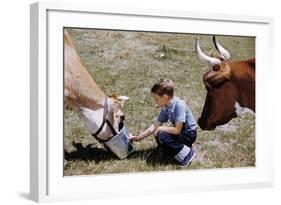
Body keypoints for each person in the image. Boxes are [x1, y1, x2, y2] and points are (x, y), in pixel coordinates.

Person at [129, 79, 197, 166]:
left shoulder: (179, 105)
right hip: (182, 132)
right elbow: (155, 125)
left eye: (156, 99)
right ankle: (182, 147)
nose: (155, 101)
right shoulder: (166, 107)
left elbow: (177, 130)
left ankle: (187, 155)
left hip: (189, 133)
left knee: (161, 134)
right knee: (159, 135)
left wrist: (160, 128)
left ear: (165, 97)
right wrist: (138, 138)